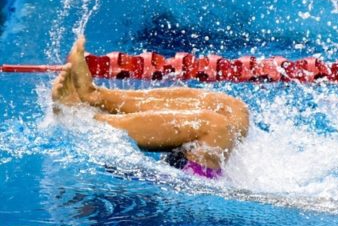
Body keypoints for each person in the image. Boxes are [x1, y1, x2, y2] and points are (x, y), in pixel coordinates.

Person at [51, 37, 249, 178]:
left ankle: (83, 120)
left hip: (192, 200)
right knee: (233, 109)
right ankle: (96, 96)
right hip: (197, 176)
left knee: (213, 127)